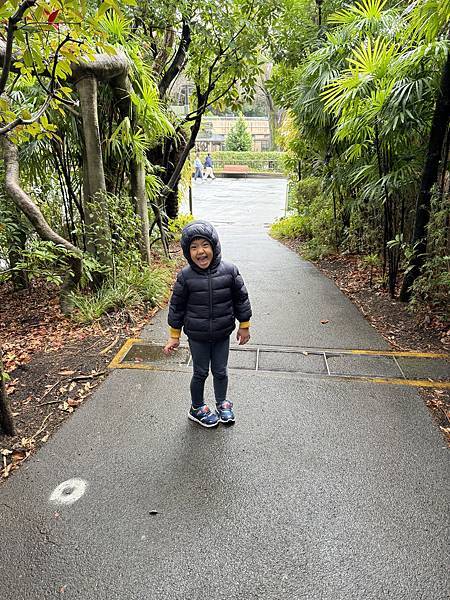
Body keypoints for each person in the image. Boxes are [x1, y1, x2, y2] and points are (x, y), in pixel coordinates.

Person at [163, 220, 252, 428]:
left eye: (205, 245)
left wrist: (244, 325)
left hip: (222, 333)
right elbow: (176, 307)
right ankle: (197, 407)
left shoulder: (229, 270)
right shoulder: (185, 277)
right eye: (193, 247)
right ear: (187, 252)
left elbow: (241, 298)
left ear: (214, 246)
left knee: (221, 371)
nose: (200, 251)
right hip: (198, 336)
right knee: (200, 372)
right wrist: (174, 335)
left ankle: (222, 403)